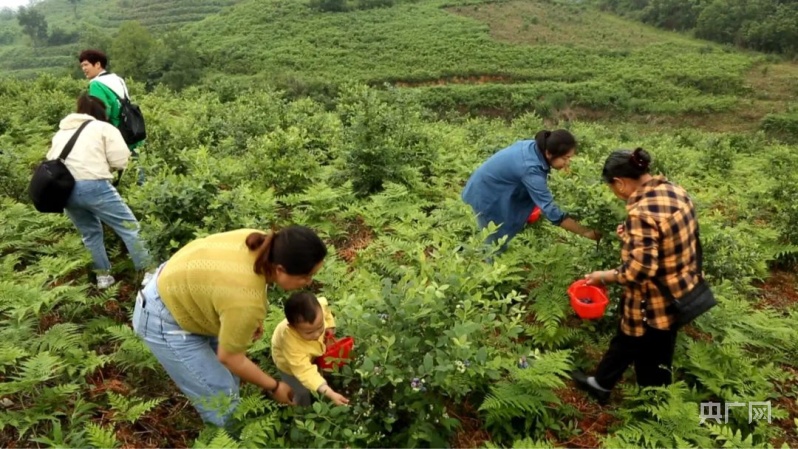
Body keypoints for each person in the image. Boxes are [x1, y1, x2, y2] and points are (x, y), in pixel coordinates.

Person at [132, 226, 328, 429]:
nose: (309, 282)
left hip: (182, 289)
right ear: (280, 269)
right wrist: (275, 386)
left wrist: (247, 321)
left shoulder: (260, 241)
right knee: (222, 399)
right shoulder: (245, 301)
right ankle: (228, 438)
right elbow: (230, 358)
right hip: (164, 319)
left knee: (229, 378)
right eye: (306, 276)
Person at [572, 148, 700, 404]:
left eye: (612, 187)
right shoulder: (674, 191)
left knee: (652, 358)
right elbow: (669, 237)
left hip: (655, 300)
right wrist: (632, 236)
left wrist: (604, 276)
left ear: (619, 183)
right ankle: (602, 383)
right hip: (682, 287)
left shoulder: (641, 213)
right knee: (627, 337)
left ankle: (656, 411)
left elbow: (640, 270)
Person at [47, 94, 153, 289]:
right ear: (101, 112)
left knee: (90, 234)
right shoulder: (104, 128)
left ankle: (103, 277)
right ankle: (148, 273)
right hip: (94, 186)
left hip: (65, 191)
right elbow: (121, 160)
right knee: (129, 228)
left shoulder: (61, 132)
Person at [461, 129, 601, 254]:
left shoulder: (533, 147)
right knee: (495, 244)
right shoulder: (530, 168)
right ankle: (489, 276)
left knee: (493, 236)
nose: (568, 163)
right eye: (565, 158)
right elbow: (550, 211)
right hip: (484, 195)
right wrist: (587, 232)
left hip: (490, 186)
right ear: (549, 153)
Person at [271, 292, 350, 407]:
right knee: (302, 391)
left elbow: (325, 309)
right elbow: (304, 371)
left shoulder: (318, 308)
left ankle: (319, 384)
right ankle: (301, 409)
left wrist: (329, 326)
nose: (317, 334)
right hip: (289, 364)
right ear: (292, 327)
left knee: (316, 372)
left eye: (320, 327)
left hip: (308, 352)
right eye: (309, 332)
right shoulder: (291, 343)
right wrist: (331, 393)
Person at [78, 49, 144, 185]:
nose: (84, 69)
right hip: (130, 130)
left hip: (115, 134)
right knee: (137, 175)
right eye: (82, 66)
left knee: (116, 181)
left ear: (97, 64)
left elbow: (100, 113)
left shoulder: (96, 84)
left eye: (86, 65)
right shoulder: (117, 79)